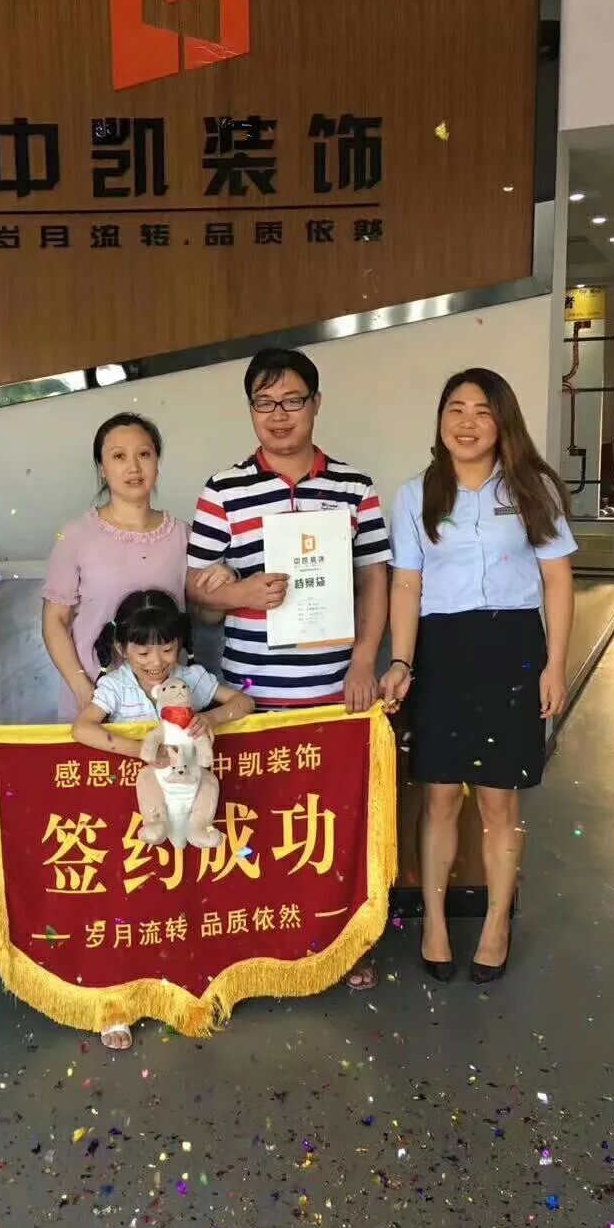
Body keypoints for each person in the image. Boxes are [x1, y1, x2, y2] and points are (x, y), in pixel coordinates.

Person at [186, 347, 391, 991]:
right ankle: (261, 949)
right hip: (252, 697)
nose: (279, 415)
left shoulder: (355, 489)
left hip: (334, 692)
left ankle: (341, 944)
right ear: (250, 410)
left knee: (331, 825)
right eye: (264, 403)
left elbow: (376, 582)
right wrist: (238, 593)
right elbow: (196, 589)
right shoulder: (223, 490)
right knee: (257, 823)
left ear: (316, 404)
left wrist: (364, 662)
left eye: (292, 401)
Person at [379, 368, 576, 985]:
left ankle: (496, 924)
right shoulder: (415, 494)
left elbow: (558, 580)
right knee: (438, 796)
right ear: (441, 420)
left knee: (498, 798)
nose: (467, 423)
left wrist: (555, 665)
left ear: (502, 422)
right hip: (441, 650)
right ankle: (435, 923)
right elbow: (406, 584)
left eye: (482, 411)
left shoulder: (531, 488)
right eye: (456, 409)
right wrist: (402, 661)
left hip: (512, 649)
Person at [72, 590, 255, 1050]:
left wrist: (214, 719)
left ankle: (191, 992)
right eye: (143, 652)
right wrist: (140, 749)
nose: (157, 662)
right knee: (130, 912)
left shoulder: (192, 678)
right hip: (138, 822)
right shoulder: (115, 686)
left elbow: (244, 703)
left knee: (182, 910)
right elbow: (82, 728)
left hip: (188, 812)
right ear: (121, 647)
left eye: (168, 649)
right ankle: (117, 1006)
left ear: (181, 645)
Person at [42, 413, 231, 721]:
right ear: (102, 468)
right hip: (96, 703)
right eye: (119, 456)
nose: (133, 467)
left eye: (144, 454)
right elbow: (55, 620)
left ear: (157, 463)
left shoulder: (184, 536)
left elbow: (205, 616)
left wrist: (223, 585)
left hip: (169, 702)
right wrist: (80, 685)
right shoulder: (75, 536)